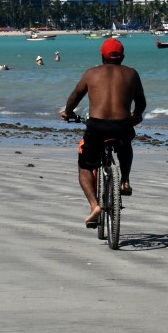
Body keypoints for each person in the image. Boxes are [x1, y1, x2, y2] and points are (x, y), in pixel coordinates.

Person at [60, 37, 146, 228]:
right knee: (126, 143)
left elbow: (75, 96)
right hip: (122, 125)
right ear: (122, 57)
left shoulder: (91, 73)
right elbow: (141, 102)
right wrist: (136, 115)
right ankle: (124, 180)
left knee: (85, 167)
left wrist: (68, 112)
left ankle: (94, 206)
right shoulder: (132, 74)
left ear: (102, 55)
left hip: (97, 127)